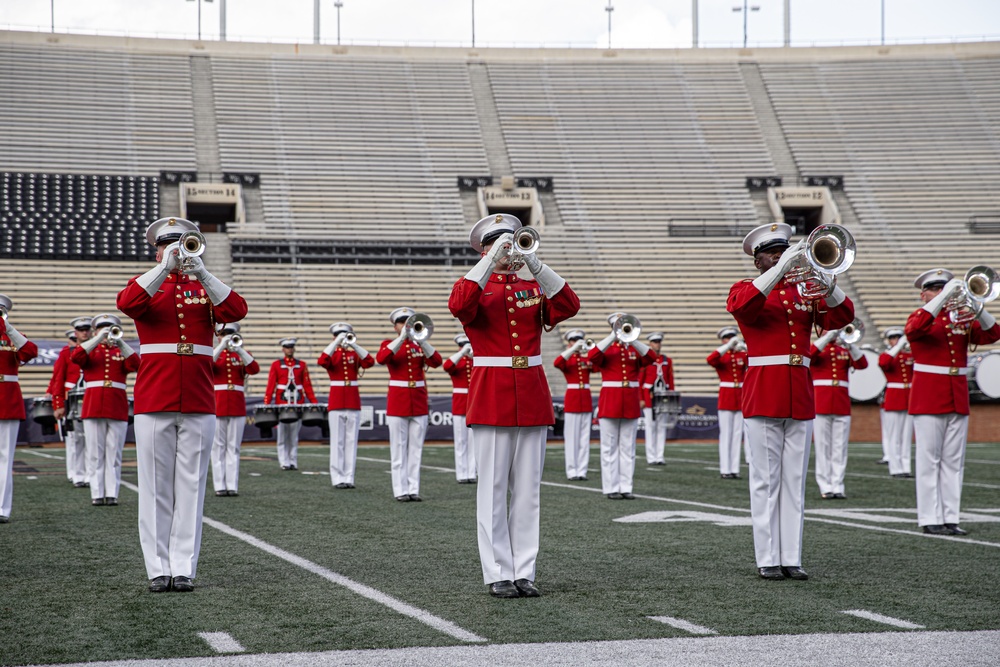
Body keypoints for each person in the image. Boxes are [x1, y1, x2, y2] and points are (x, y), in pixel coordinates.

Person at [449, 213, 580, 598]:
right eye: (502, 244)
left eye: (514, 243)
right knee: (491, 488)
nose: (511, 251)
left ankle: (525, 570)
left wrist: (534, 263)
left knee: (528, 491)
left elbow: (569, 304)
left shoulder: (531, 287)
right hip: (492, 393)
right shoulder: (478, 286)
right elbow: (459, 304)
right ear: (486, 248)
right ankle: (497, 573)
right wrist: (490, 261)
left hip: (532, 392)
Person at [117, 216, 247, 592]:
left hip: (199, 396)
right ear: (156, 249)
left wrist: (203, 273)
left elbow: (237, 311)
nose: (175, 250)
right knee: (156, 487)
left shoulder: (203, 287)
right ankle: (158, 568)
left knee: (191, 487)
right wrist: (163, 268)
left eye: (182, 244)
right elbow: (128, 302)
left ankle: (183, 567)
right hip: (155, 396)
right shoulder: (148, 284)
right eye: (167, 245)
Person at [727, 222, 855, 581]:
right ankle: (768, 557)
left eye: (784, 251)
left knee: (794, 481)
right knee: (765, 480)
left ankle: (791, 557)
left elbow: (844, 317)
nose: (781, 257)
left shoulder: (805, 293)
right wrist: (782, 269)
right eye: (772, 253)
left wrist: (825, 281)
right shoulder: (747, 288)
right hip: (764, 390)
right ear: (758, 262)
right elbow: (741, 307)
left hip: (800, 391)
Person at [905, 268, 1000, 536]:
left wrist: (975, 305)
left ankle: (950, 517)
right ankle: (929, 517)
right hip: (928, 396)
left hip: (957, 395)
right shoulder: (922, 317)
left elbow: (993, 334)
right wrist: (943, 297)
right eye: (935, 289)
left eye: (943, 288)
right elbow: (913, 330)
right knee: (929, 460)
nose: (941, 293)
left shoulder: (961, 320)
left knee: (953, 462)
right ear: (924, 295)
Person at [71, 314, 140, 506]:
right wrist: (98, 338)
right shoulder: (92, 350)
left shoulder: (119, 350)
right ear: (95, 331)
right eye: (103, 327)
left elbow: (136, 364)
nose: (107, 330)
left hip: (116, 406)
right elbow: (76, 356)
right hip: (93, 406)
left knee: (114, 453)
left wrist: (120, 342)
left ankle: (112, 493)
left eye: (110, 327)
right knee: (95, 453)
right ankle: (97, 493)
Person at [376, 307, 442, 502]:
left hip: (419, 401)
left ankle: (413, 488)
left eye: (408, 321)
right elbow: (381, 358)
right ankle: (400, 490)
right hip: (398, 401)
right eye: (401, 322)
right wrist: (402, 338)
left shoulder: (418, 345)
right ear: (395, 326)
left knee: (416, 449)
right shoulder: (389, 344)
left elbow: (437, 362)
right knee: (398, 448)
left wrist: (422, 341)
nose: (405, 325)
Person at [588, 313, 655, 500]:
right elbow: (592, 357)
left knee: (628, 448)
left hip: (630, 403)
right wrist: (613, 336)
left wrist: (632, 340)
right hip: (610, 402)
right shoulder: (606, 349)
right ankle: (611, 488)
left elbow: (651, 357)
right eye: (619, 326)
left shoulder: (633, 349)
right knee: (609, 447)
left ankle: (626, 487)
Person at [810, 326, 868, 499]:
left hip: (841, 404)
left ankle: (838, 485)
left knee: (839, 448)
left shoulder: (844, 349)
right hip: (821, 403)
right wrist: (827, 338)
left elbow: (862, 364)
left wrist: (850, 344)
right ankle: (825, 485)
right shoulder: (817, 347)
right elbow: (811, 354)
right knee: (823, 447)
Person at [318, 322, 374, 489]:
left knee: (351, 442)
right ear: (334, 336)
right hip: (336, 402)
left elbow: (369, 362)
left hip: (352, 402)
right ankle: (337, 478)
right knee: (337, 442)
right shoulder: (332, 355)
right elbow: (322, 360)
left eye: (346, 334)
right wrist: (335, 343)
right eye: (339, 334)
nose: (343, 337)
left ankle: (349, 477)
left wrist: (354, 344)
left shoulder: (353, 354)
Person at [0, 294, 39, 523]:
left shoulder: (15, 337)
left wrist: (9, 328)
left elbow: (31, 352)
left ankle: (2, 509)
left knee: (6, 456)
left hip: (8, 401)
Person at [211, 323, 259, 497]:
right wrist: (222, 345)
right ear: (218, 336)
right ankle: (219, 486)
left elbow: (254, 369)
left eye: (230, 334)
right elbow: (208, 364)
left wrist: (239, 350)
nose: (227, 337)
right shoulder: (216, 354)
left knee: (234, 447)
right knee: (218, 447)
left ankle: (232, 485)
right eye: (224, 334)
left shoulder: (241, 354)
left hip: (237, 405)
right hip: (218, 405)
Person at [45, 319, 90, 487]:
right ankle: (77, 474)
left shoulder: (97, 350)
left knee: (92, 440)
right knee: (75, 439)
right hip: (71, 398)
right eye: (81, 330)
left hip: (91, 396)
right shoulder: (66, 353)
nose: (84, 332)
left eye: (87, 329)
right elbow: (58, 379)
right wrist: (58, 404)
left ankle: (89, 474)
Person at [264, 338, 317, 471]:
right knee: (282, 435)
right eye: (287, 347)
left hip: (297, 404)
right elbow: (271, 385)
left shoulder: (302, 365)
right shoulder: (276, 365)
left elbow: (307, 385)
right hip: (282, 404)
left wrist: (313, 402)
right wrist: (267, 402)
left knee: (294, 435)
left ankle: (293, 461)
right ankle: (284, 462)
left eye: (291, 347)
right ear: (283, 349)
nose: (289, 349)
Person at [707, 326, 748, 479]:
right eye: (728, 337)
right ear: (723, 340)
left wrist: (746, 347)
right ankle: (725, 469)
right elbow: (710, 359)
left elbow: (752, 362)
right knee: (726, 435)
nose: (731, 339)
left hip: (740, 396)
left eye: (733, 336)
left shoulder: (741, 354)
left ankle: (734, 469)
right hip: (726, 396)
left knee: (737, 434)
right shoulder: (722, 356)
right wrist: (727, 347)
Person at [553, 329, 593, 481]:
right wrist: (573, 349)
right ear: (569, 342)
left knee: (584, 438)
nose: (577, 342)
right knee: (571, 438)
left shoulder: (586, 360)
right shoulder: (568, 359)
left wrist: (588, 351)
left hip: (586, 401)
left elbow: (598, 364)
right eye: (574, 340)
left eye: (579, 339)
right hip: (573, 400)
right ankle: (572, 470)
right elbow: (557, 362)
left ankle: (582, 470)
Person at [877, 327, 914, 479]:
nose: (896, 340)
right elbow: (883, 363)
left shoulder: (910, 355)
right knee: (894, 436)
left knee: (907, 436)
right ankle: (895, 468)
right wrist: (898, 347)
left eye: (898, 337)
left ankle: (905, 467)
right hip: (894, 397)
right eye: (893, 338)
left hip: (910, 396)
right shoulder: (888, 355)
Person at [442, 333, 476, 484]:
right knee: (461, 440)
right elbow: (447, 366)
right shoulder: (458, 361)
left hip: (475, 403)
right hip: (460, 403)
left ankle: (472, 472)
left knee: (474, 441)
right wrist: (462, 353)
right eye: (463, 345)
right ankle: (462, 473)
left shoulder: (475, 360)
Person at [639, 331, 674, 466]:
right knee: (650, 427)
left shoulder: (667, 360)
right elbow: (640, 381)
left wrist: (671, 397)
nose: (657, 344)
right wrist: (641, 398)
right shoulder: (646, 360)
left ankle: (660, 456)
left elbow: (670, 380)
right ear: (650, 343)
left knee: (661, 427)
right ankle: (651, 456)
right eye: (654, 342)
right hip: (649, 397)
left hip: (663, 397)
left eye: (659, 342)